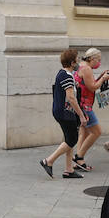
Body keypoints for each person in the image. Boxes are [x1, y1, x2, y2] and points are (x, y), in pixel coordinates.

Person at [39, 48, 85, 179]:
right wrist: (81, 115)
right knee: (72, 139)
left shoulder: (63, 74)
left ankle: (68, 170)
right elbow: (71, 98)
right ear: (72, 62)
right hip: (65, 113)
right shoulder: (66, 76)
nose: (79, 62)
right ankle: (48, 161)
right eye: (77, 59)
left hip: (62, 112)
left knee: (68, 139)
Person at [72, 47, 109, 172]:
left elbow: (88, 84)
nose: (98, 62)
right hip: (85, 106)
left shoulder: (80, 66)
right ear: (92, 58)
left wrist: (99, 77)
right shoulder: (87, 69)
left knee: (84, 132)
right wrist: (103, 79)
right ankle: (79, 156)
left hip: (81, 104)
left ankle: (78, 161)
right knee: (97, 132)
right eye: (98, 60)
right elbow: (93, 87)